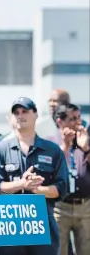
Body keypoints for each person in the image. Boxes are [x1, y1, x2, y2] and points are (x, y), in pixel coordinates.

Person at [0, 96, 68, 255]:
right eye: (16, 112)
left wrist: (38, 189)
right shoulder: (0, 150)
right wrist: (22, 184)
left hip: (43, 224)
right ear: (11, 117)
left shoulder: (52, 150)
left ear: (36, 114)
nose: (20, 115)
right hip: (10, 226)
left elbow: (62, 188)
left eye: (25, 111)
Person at [46, 104, 90, 255]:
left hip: (85, 206)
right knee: (59, 250)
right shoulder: (50, 142)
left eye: (79, 118)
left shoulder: (85, 139)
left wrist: (86, 148)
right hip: (60, 207)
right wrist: (64, 146)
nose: (78, 122)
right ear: (60, 121)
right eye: (72, 119)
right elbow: (49, 171)